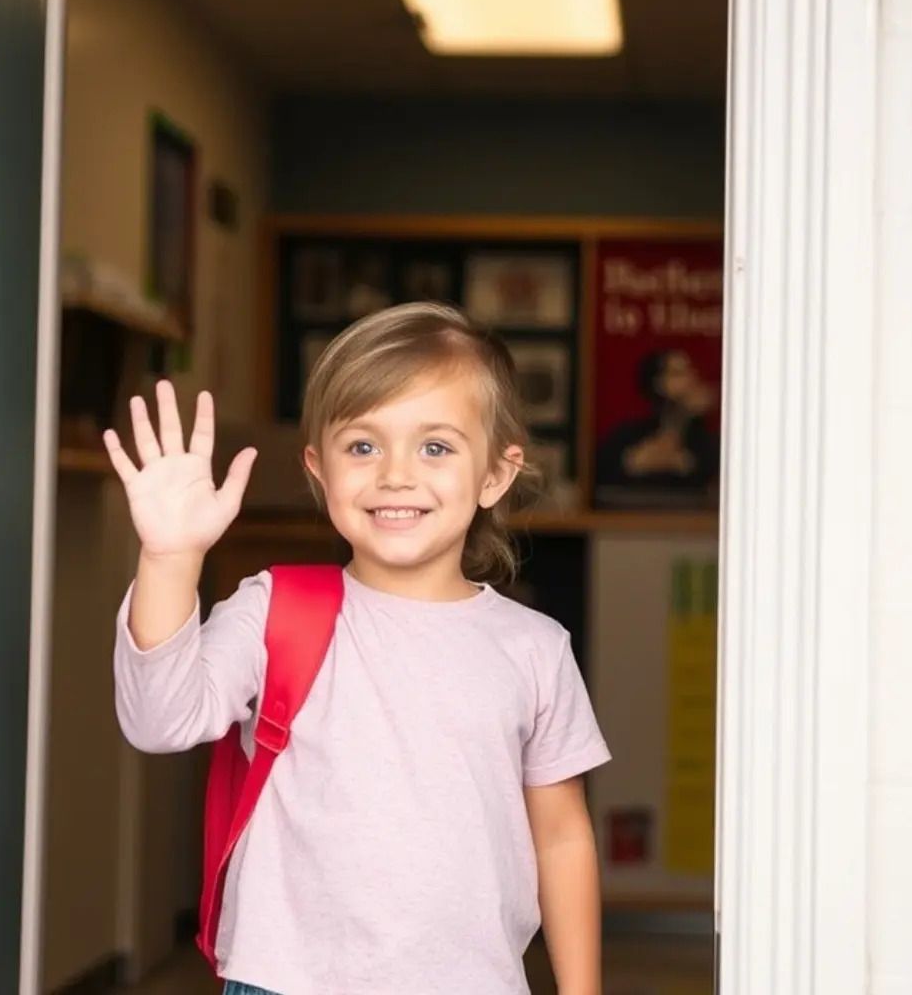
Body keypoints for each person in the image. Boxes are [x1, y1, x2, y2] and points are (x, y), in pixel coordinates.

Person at [105, 302, 611, 994]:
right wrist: (169, 559)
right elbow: (160, 723)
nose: (395, 473)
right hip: (285, 982)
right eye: (363, 446)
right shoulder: (273, 608)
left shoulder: (534, 648)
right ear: (320, 468)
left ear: (495, 473)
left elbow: (561, 837)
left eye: (436, 446)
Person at [593, 347, 718, 506]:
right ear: (658, 383)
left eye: (691, 371)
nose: (690, 380)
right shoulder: (626, 435)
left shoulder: (706, 439)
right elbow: (601, 476)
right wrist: (637, 462)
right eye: (678, 374)